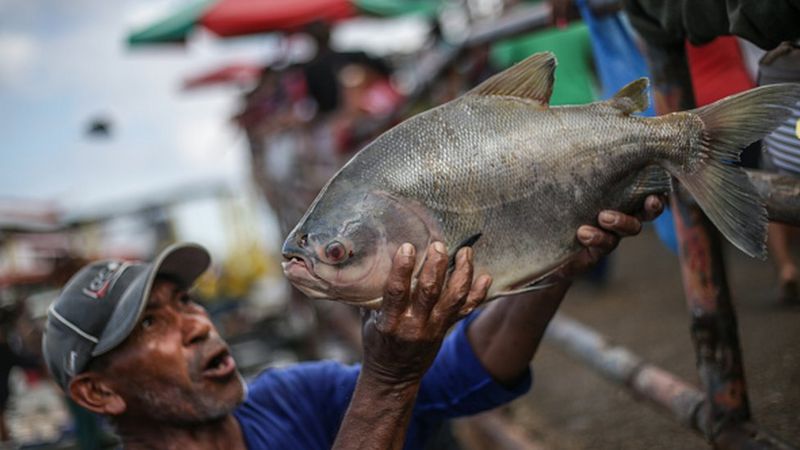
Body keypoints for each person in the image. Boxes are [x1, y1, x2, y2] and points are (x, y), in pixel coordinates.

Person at [41, 200, 663, 449]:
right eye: (152, 322)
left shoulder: (288, 398)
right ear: (98, 392)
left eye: (187, 303)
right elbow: (396, 384)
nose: (199, 326)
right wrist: (388, 380)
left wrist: (557, 264)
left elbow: (464, 374)